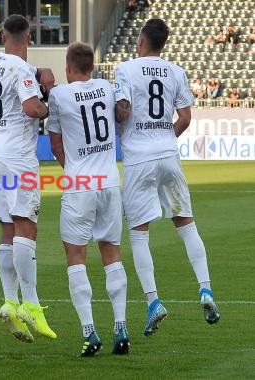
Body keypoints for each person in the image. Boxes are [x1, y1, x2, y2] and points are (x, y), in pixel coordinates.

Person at [114, 18, 220, 336]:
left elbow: (122, 109)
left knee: (139, 232)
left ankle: (153, 302)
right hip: (168, 154)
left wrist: (120, 113)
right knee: (186, 222)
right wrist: (166, 137)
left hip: (138, 159)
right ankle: (205, 289)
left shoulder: (126, 70)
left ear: (142, 41)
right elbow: (185, 117)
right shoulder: (175, 71)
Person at [47, 42, 130, 357]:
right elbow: (122, 115)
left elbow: (56, 143)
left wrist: (74, 173)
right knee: (111, 253)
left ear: (69, 67)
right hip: (109, 182)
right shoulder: (107, 88)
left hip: (80, 183)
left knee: (76, 257)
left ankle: (89, 332)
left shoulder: (59, 95)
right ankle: (121, 327)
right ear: (92, 67)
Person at [0, 14, 56, 343]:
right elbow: (30, 108)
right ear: (29, 39)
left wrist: (36, 83)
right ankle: (31, 303)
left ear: (3, 37)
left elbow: (18, 92)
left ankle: (10, 301)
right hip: (18, 156)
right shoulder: (23, 69)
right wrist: (48, 100)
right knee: (26, 224)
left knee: (7, 227)